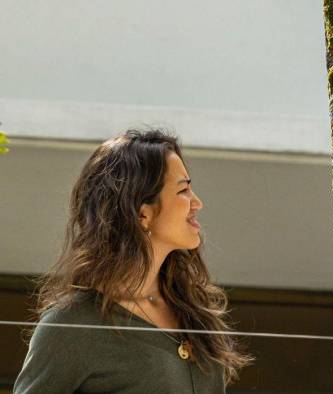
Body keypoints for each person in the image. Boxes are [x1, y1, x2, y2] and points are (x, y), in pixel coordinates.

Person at [14, 130, 251, 393]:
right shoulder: (71, 325)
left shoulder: (193, 307)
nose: (197, 203)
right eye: (183, 190)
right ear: (142, 214)